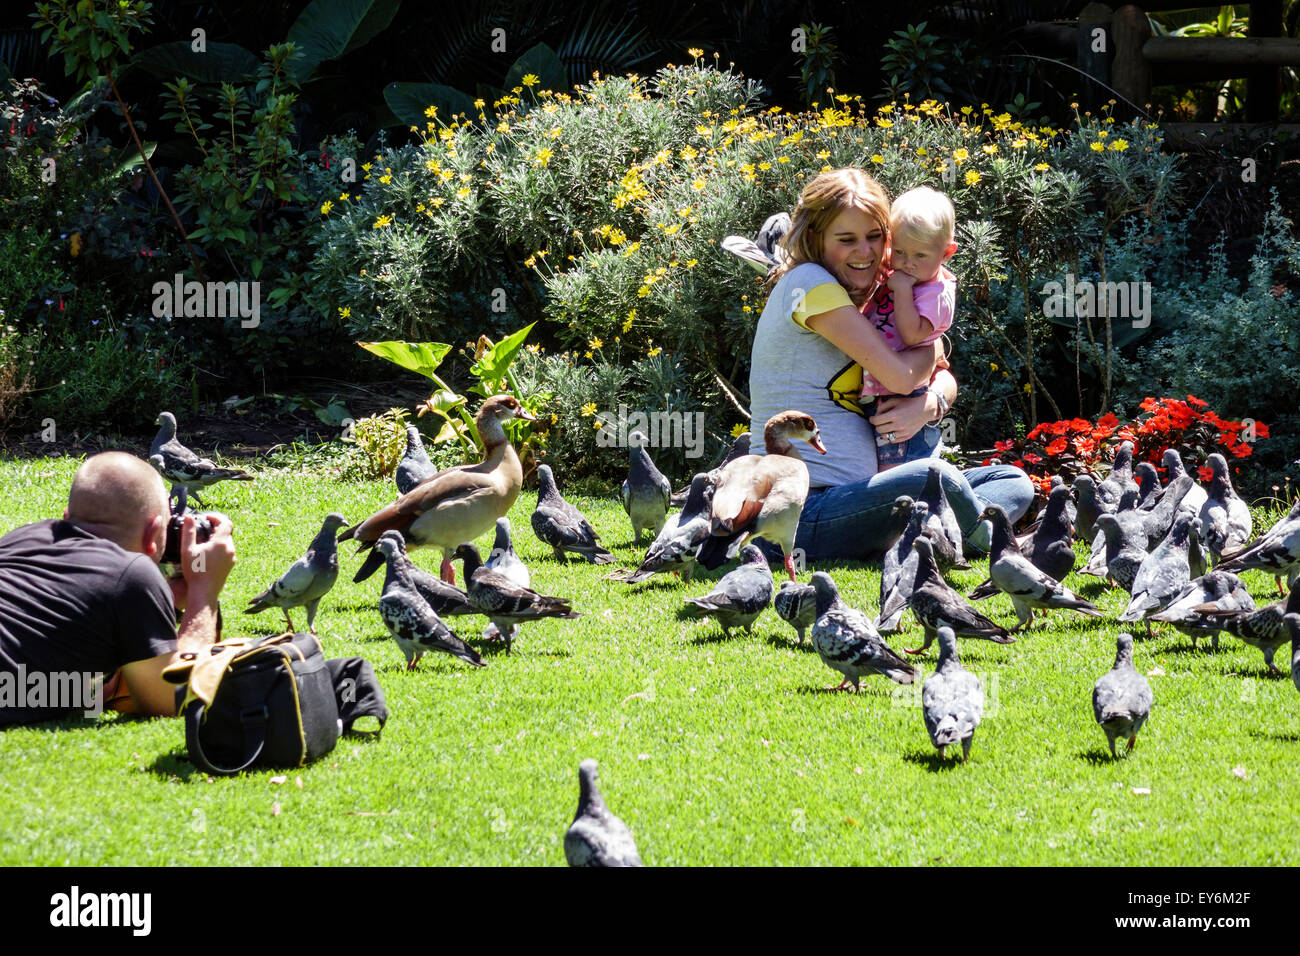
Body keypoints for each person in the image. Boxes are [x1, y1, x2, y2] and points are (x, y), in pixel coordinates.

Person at [749, 167, 1034, 562]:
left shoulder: (873, 294)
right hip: (804, 510)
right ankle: (984, 542)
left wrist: (930, 404)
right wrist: (930, 352)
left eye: (875, 237)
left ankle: (928, 530)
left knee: (1011, 480)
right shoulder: (811, 283)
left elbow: (943, 373)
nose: (865, 252)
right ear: (815, 238)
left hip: (867, 493)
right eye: (846, 239)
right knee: (935, 478)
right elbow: (903, 376)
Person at [0, 452, 236, 726]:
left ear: (67, 517)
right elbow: (168, 699)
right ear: (153, 534)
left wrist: (164, 601)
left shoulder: (21, 538)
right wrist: (203, 592)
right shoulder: (133, 572)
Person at [858, 185, 958, 469]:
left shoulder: (935, 293)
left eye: (920, 256)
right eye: (899, 251)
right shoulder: (901, 268)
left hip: (904, 396)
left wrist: (901, 290)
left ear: (947, 252)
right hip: (879, 389)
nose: (907, 263)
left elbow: (914, 335)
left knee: (900, 471)